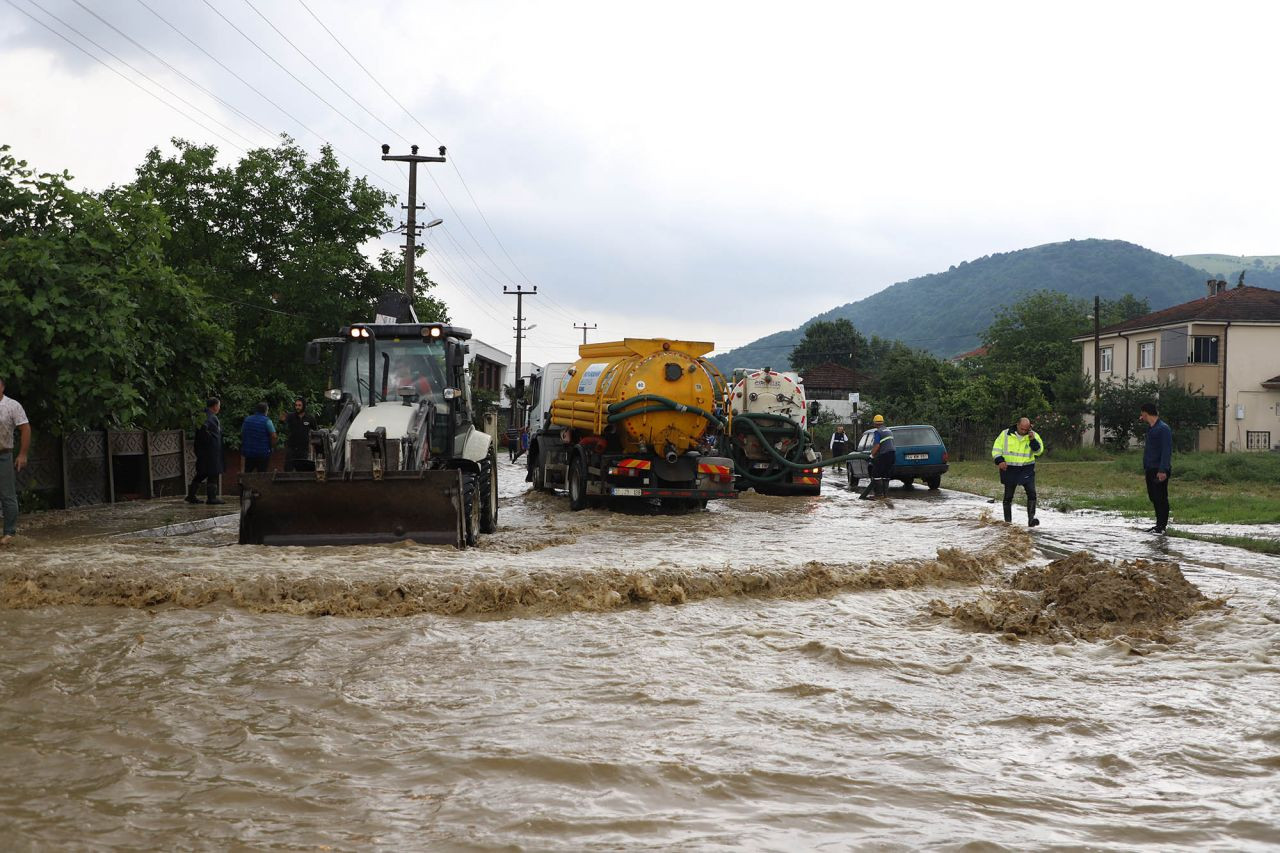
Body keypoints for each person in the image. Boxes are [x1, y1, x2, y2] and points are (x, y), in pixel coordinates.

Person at [992, 417, 1044, 527]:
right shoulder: (1005, 434)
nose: (1024, 431)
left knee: (1032, 493)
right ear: (1017, 425)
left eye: (1026, 429)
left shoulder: (1033, 435)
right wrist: (999, 460)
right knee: (1008, 497)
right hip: (1009, 469)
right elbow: (996, 449)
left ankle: (1031, 519)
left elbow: (1039, 452)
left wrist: (1032, 440)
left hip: (1027, 469)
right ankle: (1008, 522)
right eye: (1022, 429)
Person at [0, 377, 32, 545]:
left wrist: (22, 454)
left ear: (2, 387)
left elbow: (25, 428)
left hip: (4, 454)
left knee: (7, 495)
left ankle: (9, 533)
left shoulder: (12, 405)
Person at [1140, 401, 1172, 534]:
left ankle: (1162, 526)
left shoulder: (1163, 428)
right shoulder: (1151, 428)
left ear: (1146, 413)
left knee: (1161, 497)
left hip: (1159, 469)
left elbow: (1166, 450)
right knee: (1153, 497)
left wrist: (1163, 470)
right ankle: (1158, 524)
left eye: (1142, 414)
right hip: (1150, 468)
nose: (1141, 416)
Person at [186, 397, 225, 505]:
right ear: (215, 406)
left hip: (206, 451)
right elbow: (203, 430)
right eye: (218, 405)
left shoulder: (205, 415)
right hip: (210, 451)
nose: (219, 408)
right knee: (213, 473)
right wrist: (210, 441)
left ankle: (191, 495)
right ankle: (212, 498)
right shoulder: (209, 417)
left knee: (202, 473)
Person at [862, 414, 895, 499]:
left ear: (875, 423)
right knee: (885, 475)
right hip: (892, 454)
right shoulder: (889, 431)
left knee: (876, 474)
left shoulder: (878, 432)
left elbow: (877, 445)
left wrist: (871, 455)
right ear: (882, 422)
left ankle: (878, 495)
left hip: (884, 454)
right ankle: (885, 496)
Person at [240, 401, 277, 473]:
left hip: (249, 453)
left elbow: (243, 433)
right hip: (263, 453)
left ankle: (246, 484)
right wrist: (272, 447)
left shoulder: (247, 420)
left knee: (247, 474)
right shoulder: (267, 421)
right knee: (262, 475)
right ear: (266, 411)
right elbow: (274, 436)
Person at [281, 398, 315, 472]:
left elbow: (315, 431)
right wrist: (282, 421)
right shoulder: (290, 416)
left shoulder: (310, 418)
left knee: (302, 469)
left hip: (303, 448)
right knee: (288, 468)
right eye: (296, 405)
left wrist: (312, 444)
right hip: (291, 447)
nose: (297, 407)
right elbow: (283, 427)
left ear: (304, 406)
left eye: (299, 405)